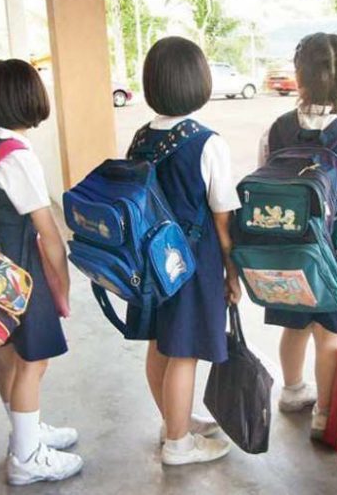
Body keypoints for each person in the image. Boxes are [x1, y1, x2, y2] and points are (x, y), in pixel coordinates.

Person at [257, 33, 337, 438]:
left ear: (299, 77)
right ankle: (324, 414)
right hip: (335, 259)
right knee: (330, 336)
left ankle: (293, 390)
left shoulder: (276, 130)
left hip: (285, 254)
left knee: (294, 327)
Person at [126, 36, 242, 465]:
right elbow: (223, 218)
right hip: (191, 264)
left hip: (150, 262)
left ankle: (172, 422)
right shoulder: (207, 143)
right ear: (198, 81)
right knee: (185, 350)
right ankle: (178, 443)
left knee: (160, 343)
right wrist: (232, 271)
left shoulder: (141, 137)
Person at [0, 59, 81, 485]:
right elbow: (48, 232)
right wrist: (63, 285)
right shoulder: (16, 155)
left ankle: (25, 433)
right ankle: (27, 457)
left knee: (10, 356)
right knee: (34, 361)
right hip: (20, 277)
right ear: (28, 98)